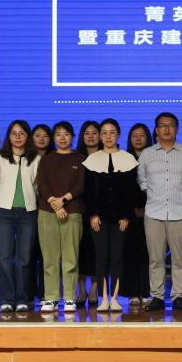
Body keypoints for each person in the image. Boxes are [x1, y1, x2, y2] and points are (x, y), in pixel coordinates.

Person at [137, 112, 182, 313]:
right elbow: (142, 180)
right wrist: (154, 194)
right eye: (163, 125)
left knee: (180, 258)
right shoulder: (147, 154)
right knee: (156, 259)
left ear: (176, 129)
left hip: (180, 212)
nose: (167, 129)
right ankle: (157, 296)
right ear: (156, 129)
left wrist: (181, 194)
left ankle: (179, 296)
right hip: (154, 212)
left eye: (171, 125)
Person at [83, 118, 139, 312]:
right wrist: (92, 214)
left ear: (118, 135)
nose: (108, 136)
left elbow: (131, 192)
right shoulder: (91, 160)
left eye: (112, 132)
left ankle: (115, 298)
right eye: (104, 133)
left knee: (117, 257)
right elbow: (88, 192)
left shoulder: (129, 159)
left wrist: (126, 216)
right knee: (101, 257)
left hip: (121, 218)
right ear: (100, 136)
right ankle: (103, 298)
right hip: (98, 218)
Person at [0, 120, 41, 312]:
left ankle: (22, 299)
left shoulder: (35, 158)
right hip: (4, 211)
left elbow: (37, 186)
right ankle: (5, 299)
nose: (18, 137)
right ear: (9, 136)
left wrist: (30, 202)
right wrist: (3, 201)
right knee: (4, 257)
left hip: (28, 212)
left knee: (24, 258)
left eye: (21, 133)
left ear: (27, 136)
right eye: (14, 133)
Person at [36, 121, 86, 313]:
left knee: (70, 258)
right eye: (58, 134)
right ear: (54, 138)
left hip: (72, 211)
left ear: (72, 137)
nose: (62, 138)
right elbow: (42, 184)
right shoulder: (46, 159)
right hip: (47, 212)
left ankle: (70, 298)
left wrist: (63, 200)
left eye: (66, 134)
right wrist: (54, 203)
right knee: (50, 258)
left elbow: (81, 185)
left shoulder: (80, 159)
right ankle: (51, 298)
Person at [121, 122, 153, 307]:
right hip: (128, 214)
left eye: (142, 135)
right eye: (135, 135)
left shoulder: (154, 158)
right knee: (130, 253)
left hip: (152, 211)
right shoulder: (123, 159)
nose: (138, 139)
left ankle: (147, 292)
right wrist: (130, 209)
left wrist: (147, 208)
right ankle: (132, 293)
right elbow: (121, 189)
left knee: (149, 254)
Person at [75, 120, 101, 307]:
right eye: (87, 133)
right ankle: (81, 289)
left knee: (98, 253)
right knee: (79, 253)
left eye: (94, 132)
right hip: (78, 212)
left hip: (101, 213)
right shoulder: (76, 158)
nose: (91, 136)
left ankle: (94, 289)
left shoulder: (107, 157)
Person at [27, 124, 53, 304]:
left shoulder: (55, 158)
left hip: (50, 211)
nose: (42, 139)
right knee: (29, 254)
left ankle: (46, 293)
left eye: (45, 136)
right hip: (28, 212)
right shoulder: (25, 158)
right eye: (38, 135)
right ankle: (29, 294)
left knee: (47, 256)